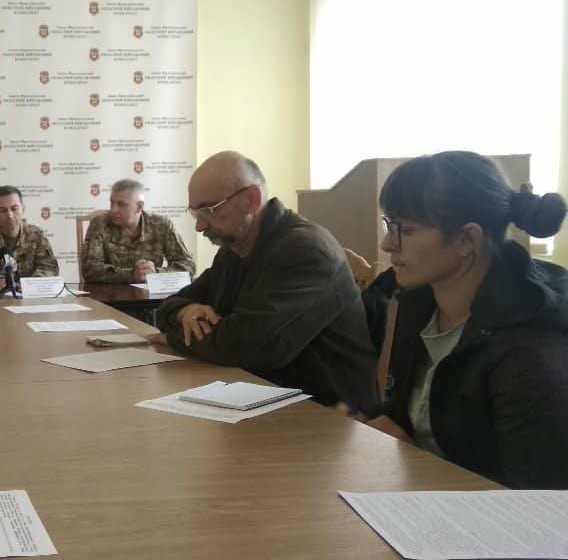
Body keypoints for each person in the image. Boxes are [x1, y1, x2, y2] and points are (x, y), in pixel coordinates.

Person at [363, 151, 568, 489]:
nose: (388, 244)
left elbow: (542, 505)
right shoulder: (415, 304)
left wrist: (418, 466)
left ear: (467, 239)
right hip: (413, 499)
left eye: (406, 230)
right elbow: (402, 422)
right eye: (390, 225)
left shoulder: (528, 352)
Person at [153, 151, 378, 412]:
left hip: (330, 413)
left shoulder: (305, 251)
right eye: (195, 213)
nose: (200, 226)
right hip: (260, 394)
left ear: (251, 200)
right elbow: (169, 306)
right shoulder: (234, 249)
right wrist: (185, 311)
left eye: (209, 210)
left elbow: (244, 346)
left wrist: (172, 338)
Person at [82, 178, 194, 283]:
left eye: (121, 204)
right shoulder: (100, 224)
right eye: (112, 203)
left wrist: (155, 273)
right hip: (111, 294)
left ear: (139, 206)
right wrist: (131, 275)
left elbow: (188, 265)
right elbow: (89, 270)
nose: (113, 209)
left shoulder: (161, 225)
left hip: (150, 293)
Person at [0, 185, 59, 286]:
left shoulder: (36, 235)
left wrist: (28, 284)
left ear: (23, 209)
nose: (9, 215)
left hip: (29, 294)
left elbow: (49, 268)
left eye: (14, 209)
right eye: (3, 210)